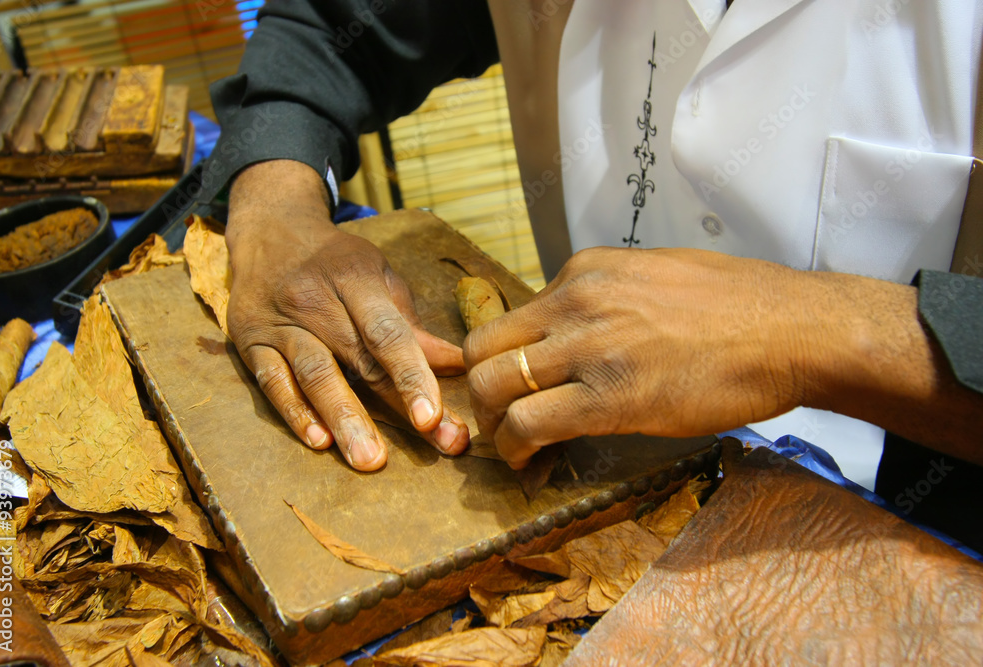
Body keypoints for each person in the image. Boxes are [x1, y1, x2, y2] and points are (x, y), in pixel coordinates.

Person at [202, 1, 983, 547]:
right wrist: (274, 200)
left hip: (921, 529)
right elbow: (334, 27)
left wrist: (795, 334)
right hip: (588, 488)